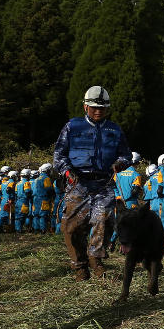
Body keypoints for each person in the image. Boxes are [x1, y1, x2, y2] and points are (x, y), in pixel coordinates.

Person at [53, 86, 131, 281]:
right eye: (94, 107)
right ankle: (79, 266)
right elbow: (59, 155)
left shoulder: (115, 129)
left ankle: (96, 259)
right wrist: (67, 172)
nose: (98, 111)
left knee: (103, 221)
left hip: (104, 183)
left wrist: (120, 163)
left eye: (102, 108)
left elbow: (126, 154)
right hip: (77, 183)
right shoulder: (72, 127)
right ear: (85, 107)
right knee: (72, 227)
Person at [32, 163, 56, 235]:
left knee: (36, 214)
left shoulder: (36, 179)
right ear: (48, 170)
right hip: (43, 198)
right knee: (43, 215)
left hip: (35, 199)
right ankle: (43, 230)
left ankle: (36, 229)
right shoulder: (46, 178)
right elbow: (49, 189)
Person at [14, 169, 32, 233]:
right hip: (24, 201)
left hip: (18, 201)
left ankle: (18, 229)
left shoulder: (18, 183)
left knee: (18, 216)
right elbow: (27, 191)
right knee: (25, 215)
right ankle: (21, 229)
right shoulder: (26, 183)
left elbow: (16, 192)